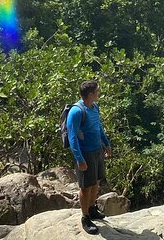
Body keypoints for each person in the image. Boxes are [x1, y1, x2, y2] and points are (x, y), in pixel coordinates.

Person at [67, 79, 112, 235]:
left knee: (96, 182)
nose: (98, 93)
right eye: (97, 91)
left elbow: (98, 126)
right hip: (85, 153)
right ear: (91, 94)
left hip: (97, 150)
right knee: (86, 187)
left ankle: (92, 209)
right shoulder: (77, 111)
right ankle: (85, 218)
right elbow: (72, 137)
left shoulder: (95, 107)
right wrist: (79, 159)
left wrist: (106, 143)